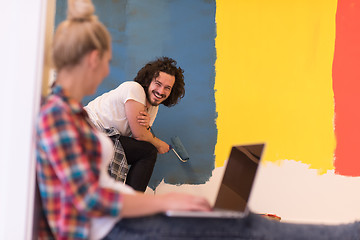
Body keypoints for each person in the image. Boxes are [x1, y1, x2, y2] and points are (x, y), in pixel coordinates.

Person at [36, 0, 360, 239]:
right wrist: (162, 203)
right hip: (109, 231)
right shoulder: (58, 116)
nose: (107, 71)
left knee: (238, 222)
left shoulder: (71, 113)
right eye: (105, 62)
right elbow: (90, 199)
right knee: (239, 227)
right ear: (91, 60)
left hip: (118, 223)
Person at [84, 56, 185, 192]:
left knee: (145, 149)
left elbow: (140, 138)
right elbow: (140, 135)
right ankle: (132, 205)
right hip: (86, 131)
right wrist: (159, 144)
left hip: (107, 138)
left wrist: (146, 129)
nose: (161, 91)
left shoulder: (153, 108)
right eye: (158, 84)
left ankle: (128, 203)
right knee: (149, 151)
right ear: (148, 81)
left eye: (167, 88)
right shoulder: (135, 89)